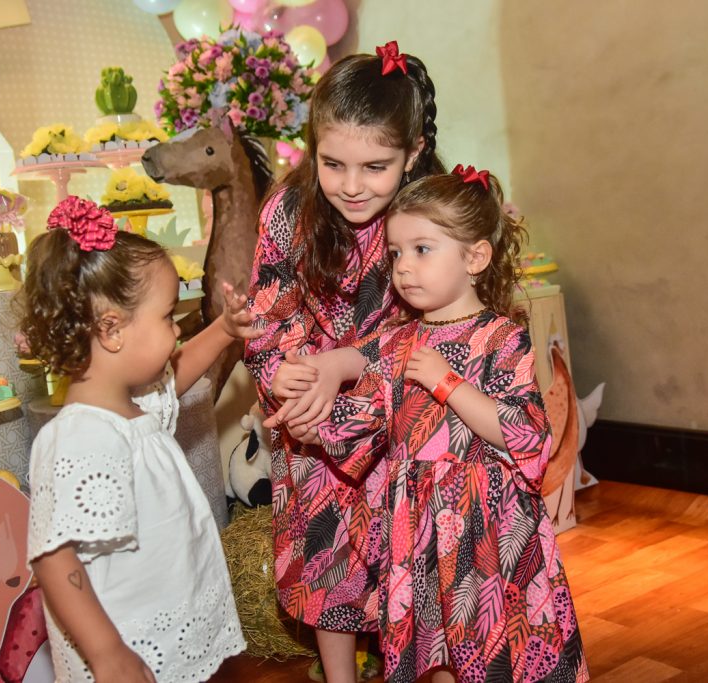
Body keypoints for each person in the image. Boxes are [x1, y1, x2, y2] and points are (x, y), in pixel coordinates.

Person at [309, 168, 589, 682]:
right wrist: (311, 419)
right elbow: (366, 416)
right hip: (416, 523)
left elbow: (526, 436)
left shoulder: (502, 337)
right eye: (395, 253)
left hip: (487, 521)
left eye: (422, 249)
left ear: (475, 257)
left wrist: (449, 384)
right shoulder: (396, 341)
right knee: (433, 649)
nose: (404, 268)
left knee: (488, 646)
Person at [243, 41, 445, 683]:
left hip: (407, 414)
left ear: (412, 153)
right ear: (312, 149)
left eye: (375, 166)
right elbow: (266, 318)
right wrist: (284, 378)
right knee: (329, 558)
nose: (351, 186)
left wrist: (347, 363)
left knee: (408, 556)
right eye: (333, 164)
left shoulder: (435, 215)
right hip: (315, 426)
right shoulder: (290, 210)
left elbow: (445, 328)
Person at [18, 196, 258, 682]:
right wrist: (108, 653)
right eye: (169, 317)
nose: (176, 329)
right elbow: (52, 557)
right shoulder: (80, 436)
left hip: (165, 621)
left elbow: (178, 373)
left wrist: (226, 329)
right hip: (124, 641)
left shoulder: (135, 407)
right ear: (111, 331)